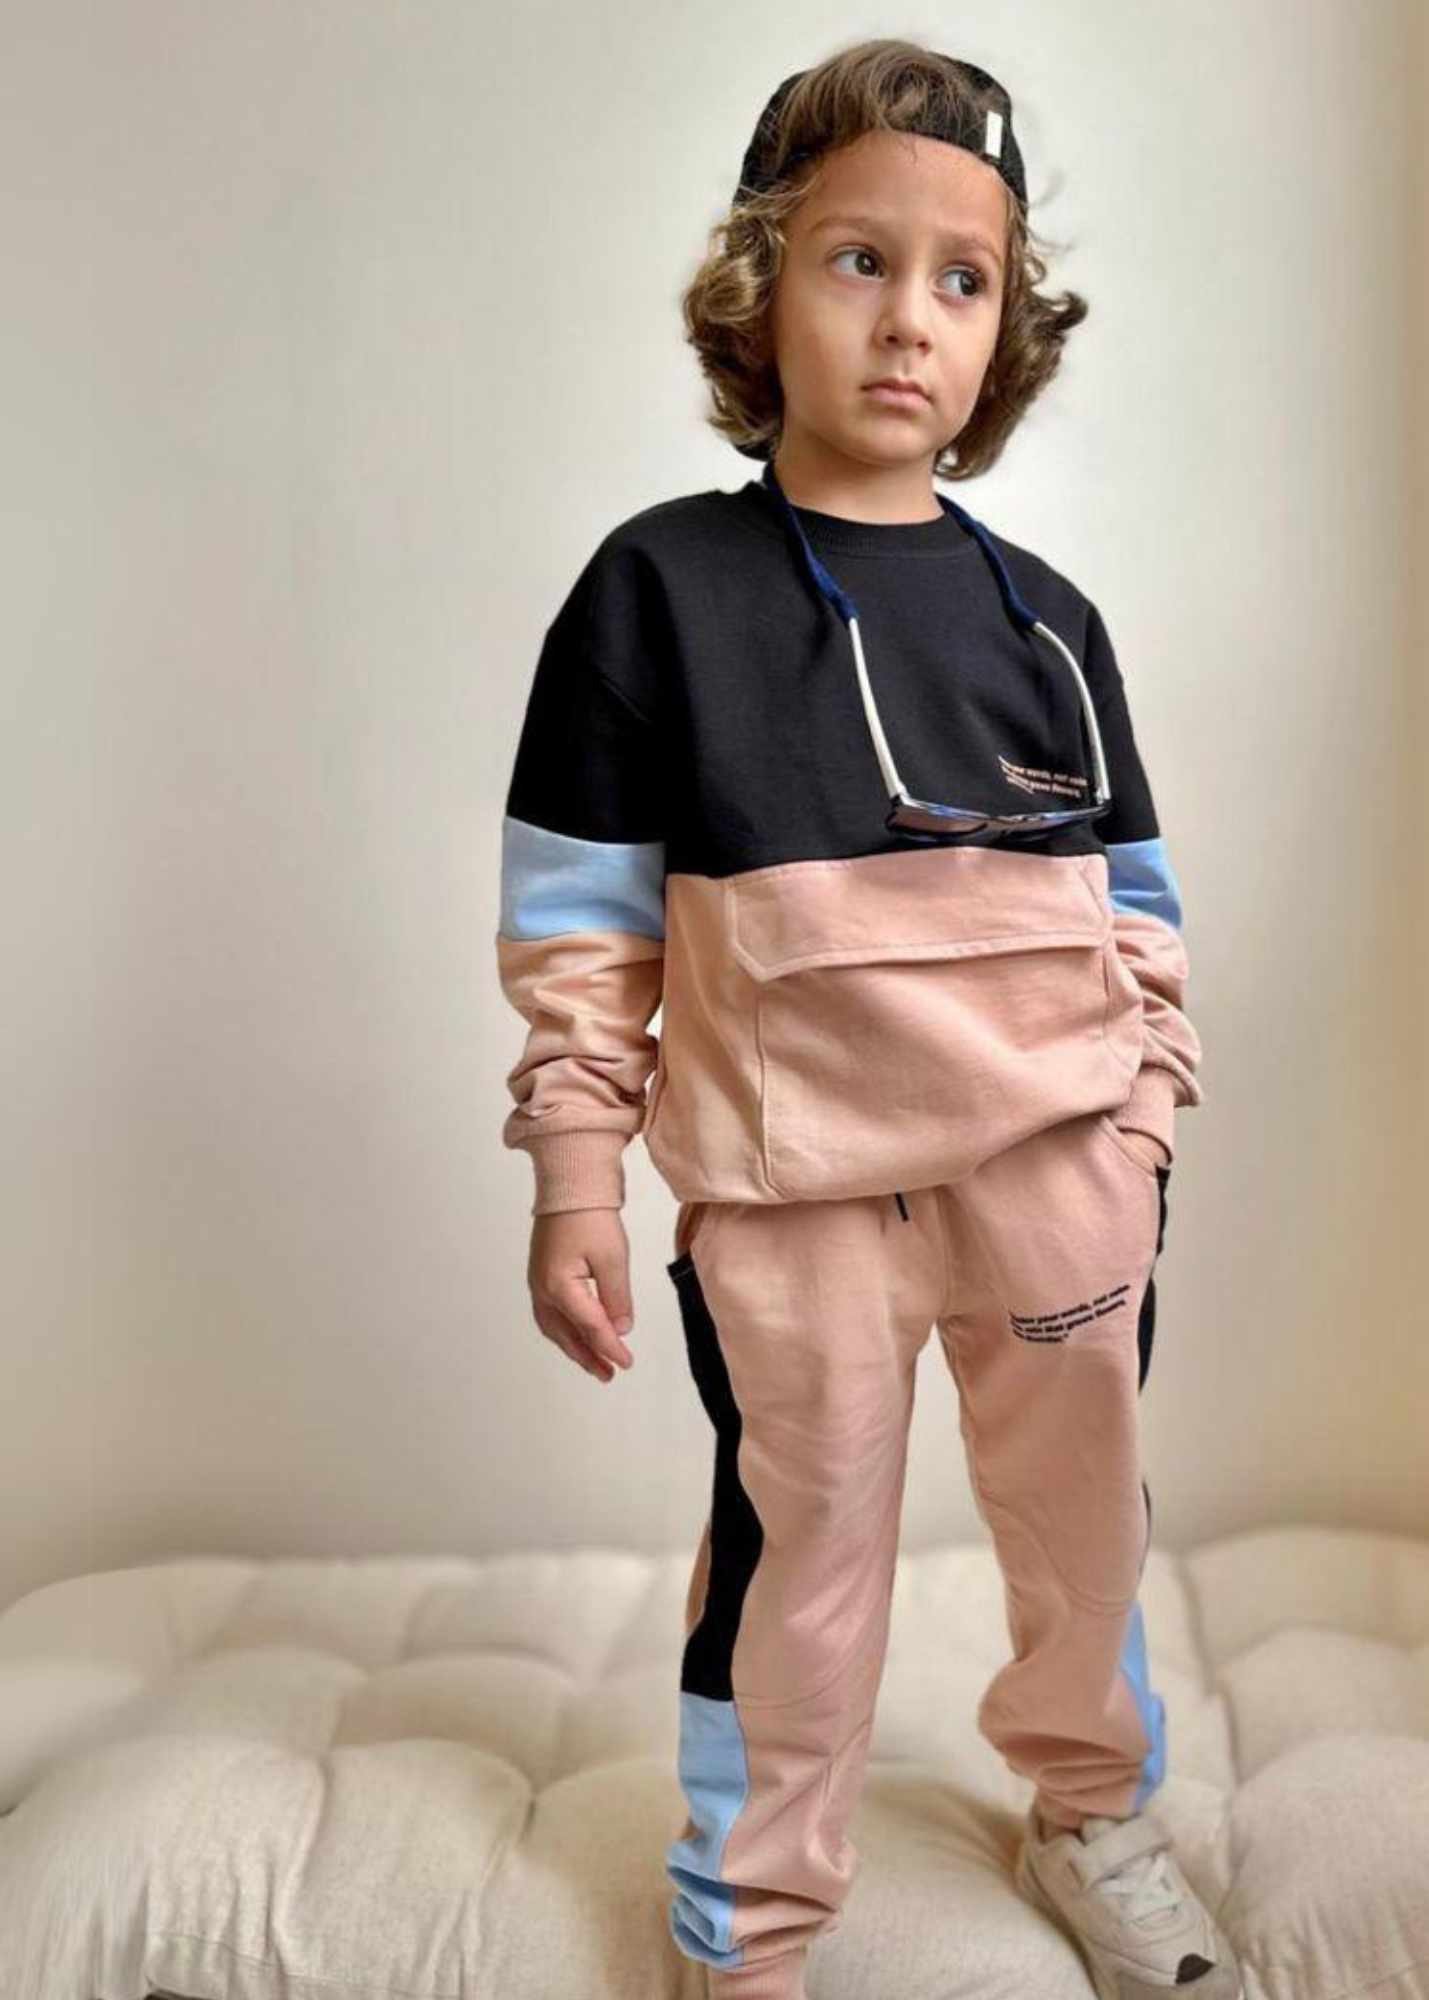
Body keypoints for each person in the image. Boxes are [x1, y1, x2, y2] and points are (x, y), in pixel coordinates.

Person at [494, 39, 1236, 2000]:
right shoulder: (655, 592)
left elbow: (1139, 913)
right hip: (793, 1200)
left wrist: (1138, 1132)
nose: (911, 317)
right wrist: (576, 1174)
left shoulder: (1047, 620)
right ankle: (751, 1928)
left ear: (1004, 332)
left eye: (962, 279)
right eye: (858, 260)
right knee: (798, 1566)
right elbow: (580, 931)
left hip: (1057, 1180)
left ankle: (1094, 1813)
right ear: (761, 289)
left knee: (1081, 1534)